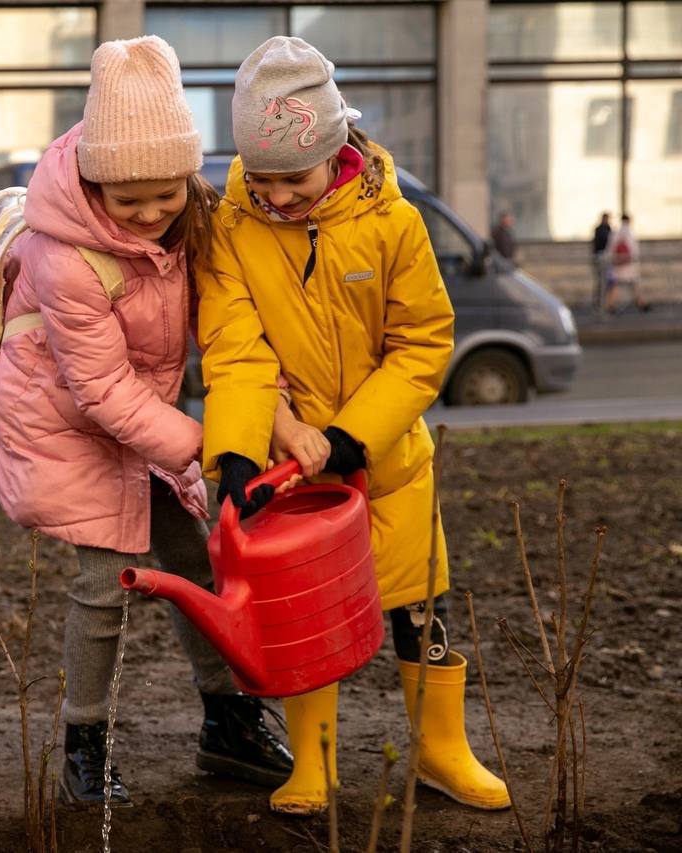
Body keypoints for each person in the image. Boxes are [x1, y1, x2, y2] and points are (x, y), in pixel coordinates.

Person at [196, 36, 510, 816]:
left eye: (294, 179)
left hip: (389, 457)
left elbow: (423, 343)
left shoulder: (393, 223)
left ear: (335, 151)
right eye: (261, 180)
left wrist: (349, 437)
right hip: (290, 468)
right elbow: (234, 345)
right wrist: (239, 446)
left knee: (418, 603)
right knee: (301, 612)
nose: (279, 197)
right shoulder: (232, 226)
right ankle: (315, 760)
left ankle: (440, 748)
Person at [0, 35, 292, 807]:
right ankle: (83, 746)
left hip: (143, 415)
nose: (153, 214)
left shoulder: (190, 219)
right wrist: (208, 449)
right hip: (64, 420)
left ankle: (228, 722)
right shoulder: (65, 257)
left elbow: (222, 322)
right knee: (106, 580)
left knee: (198, 562)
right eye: (132, 203)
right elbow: (99, 390)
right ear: (94, 185)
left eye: (168, 195)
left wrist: (252, 412)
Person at [604, 213, 650, 313]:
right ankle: (640, 303)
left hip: (618, 263)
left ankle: (611, 305)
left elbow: (610, 248)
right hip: (628, 264)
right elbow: (634, 249)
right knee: (633, 283)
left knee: (616, 284)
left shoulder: (616, 232)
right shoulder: (629, 232)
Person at [592, 211, 612, 311]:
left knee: (608, 281)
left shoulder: (609, 229)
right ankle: (600, 303)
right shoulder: (599, 229)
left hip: (606, 256)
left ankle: (606, 302)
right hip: (600, 256)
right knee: (601, 281)